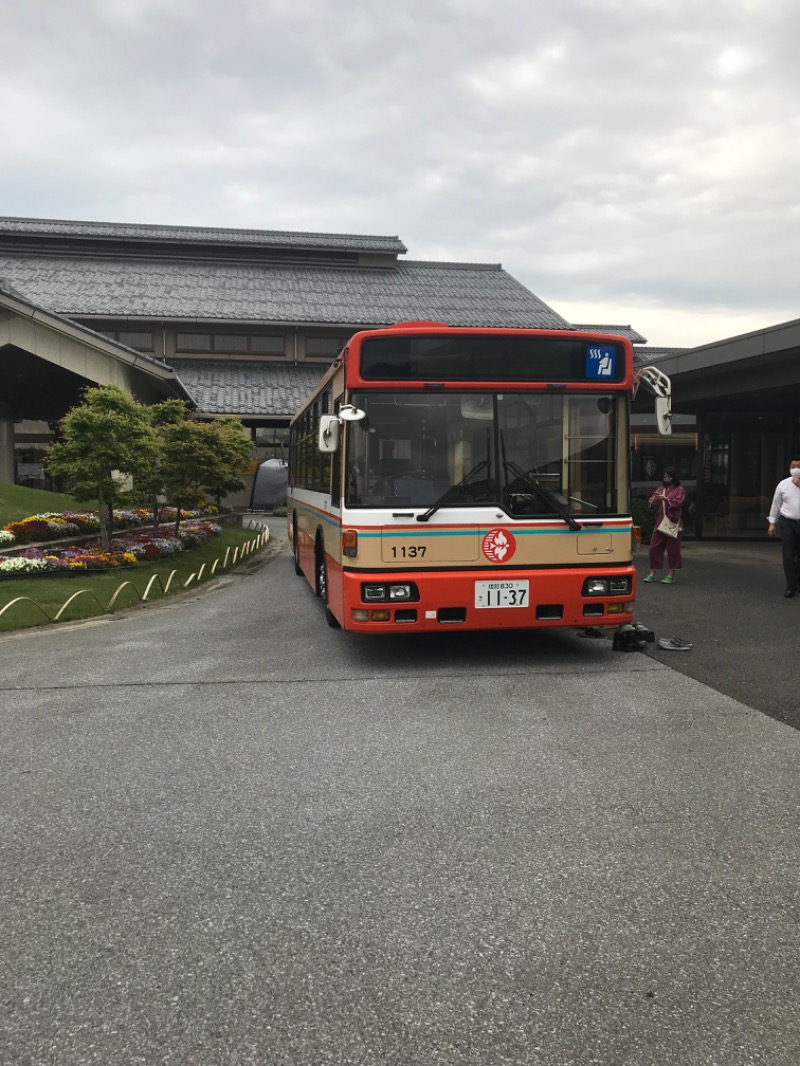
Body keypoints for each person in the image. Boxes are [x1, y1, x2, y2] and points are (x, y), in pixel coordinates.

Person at [643, 466, 686, 584]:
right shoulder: (660, 489)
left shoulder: (680, 489)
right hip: (660, 522)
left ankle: (671, 575)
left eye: (669, 476)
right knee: (654, 547)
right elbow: (652, 503)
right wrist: (654, 501)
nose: (666, 478)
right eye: (665, 476)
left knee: (673, 549)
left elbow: (678, 503)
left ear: (674, 477)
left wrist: (666, 499)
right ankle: (652, 573)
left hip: (673, 521)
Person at [767, 459, 800, 597]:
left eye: (799, 466)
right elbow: (776, 503)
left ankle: (797, 581)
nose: (796, 469)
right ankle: (790, 586)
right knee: (788, 555)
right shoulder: (783, 484)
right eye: (793, 466)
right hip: (787, 523)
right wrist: (772, 522)